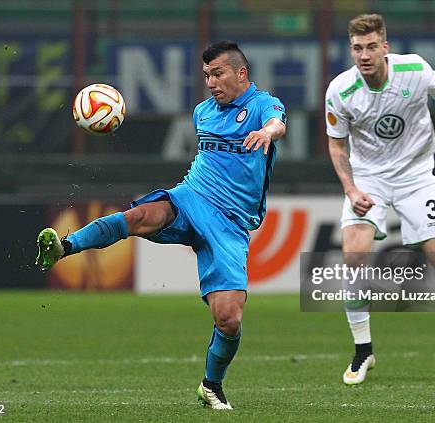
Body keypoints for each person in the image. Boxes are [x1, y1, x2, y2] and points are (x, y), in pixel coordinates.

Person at [36, 41, 287, 409]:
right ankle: (64, 246)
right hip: (191, 197)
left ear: (241, 73)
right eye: (206, 76)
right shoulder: (203, 111)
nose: (211, 82)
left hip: (230, 222)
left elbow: (277, 122)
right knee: (138, 216)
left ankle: (211, 385)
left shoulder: (262, 105)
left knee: (229, 319)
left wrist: (269, 132)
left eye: (217, 74)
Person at [325, 14, 435, 386]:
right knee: (353, 256)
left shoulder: (414, 69)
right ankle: (363, 352)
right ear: (351, 51)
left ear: (385, 47)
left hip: (415, 178)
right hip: (368, 180)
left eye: (372, 46)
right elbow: (337, 144)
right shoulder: (340, 90)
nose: (364, 55)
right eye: (357, 48)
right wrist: (351, 189)